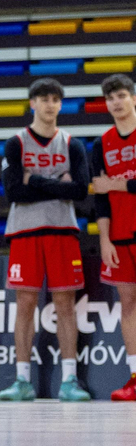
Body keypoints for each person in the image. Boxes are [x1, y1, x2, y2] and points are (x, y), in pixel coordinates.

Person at [0, 78, 90, 402]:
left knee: (65, 305)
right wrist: (57, 183)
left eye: (55, 99)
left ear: (61, 105)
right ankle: (22, 381)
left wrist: (33, 179)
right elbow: (13, 193)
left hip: (62, 231)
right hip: (25, 231)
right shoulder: (16, 143)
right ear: (32, 103)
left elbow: (80, 191)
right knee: (25, 305)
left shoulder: (71, 144)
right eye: (43, 98)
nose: (50, 104)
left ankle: (70, 380)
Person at [90, 73, 136, 401]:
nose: (116, 102)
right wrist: (104, 240)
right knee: (128, 305)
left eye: (121, 95)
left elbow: (111, 186)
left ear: (133, 98)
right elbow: (100, 198)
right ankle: (134, 378)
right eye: (110, 98)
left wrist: (117, 184)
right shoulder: (100, 144)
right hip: (120, 236)